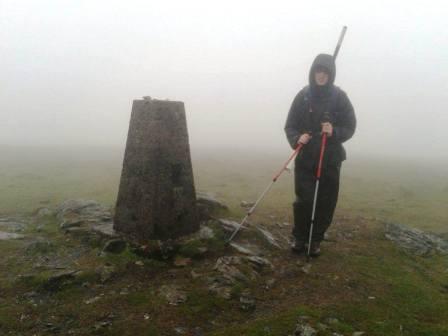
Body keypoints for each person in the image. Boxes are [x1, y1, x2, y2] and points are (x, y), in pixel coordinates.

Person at [284, 53, 356, 256]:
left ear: (331, 74)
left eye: (325, 72)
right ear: (312, 72)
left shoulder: (340, 97)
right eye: (318, 71)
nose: (321, 75)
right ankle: (299, 237)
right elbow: (290, 125)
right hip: (306, 156)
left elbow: (350, 126)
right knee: (304, 200)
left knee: (326, 201)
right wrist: (297, 138)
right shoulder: (303, 95)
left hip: (331, 157)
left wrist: (334, 131)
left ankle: (315, 240)